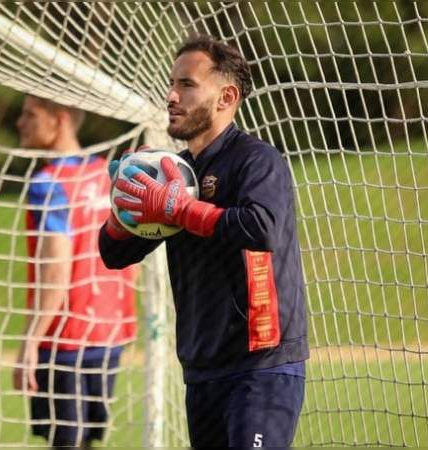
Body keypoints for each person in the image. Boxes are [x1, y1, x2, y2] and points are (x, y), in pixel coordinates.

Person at [99, 35, 309, 447]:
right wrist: (125, 209)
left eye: (188, 84)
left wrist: (182, 212)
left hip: (260, 366)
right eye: (172, 83)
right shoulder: (174, 171)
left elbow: (260, 228)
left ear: (226, 96)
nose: (171, 95)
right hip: (201, 369)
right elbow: (112, 253)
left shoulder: (256, 160)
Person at [14, 95, 136, 448]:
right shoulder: (107, 176)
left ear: (60, 119)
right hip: (110, 336)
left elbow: (56, 272)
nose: (20, 123)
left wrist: (29, 343)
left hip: (65, 339)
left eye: (30, 115)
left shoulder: (47, 184)